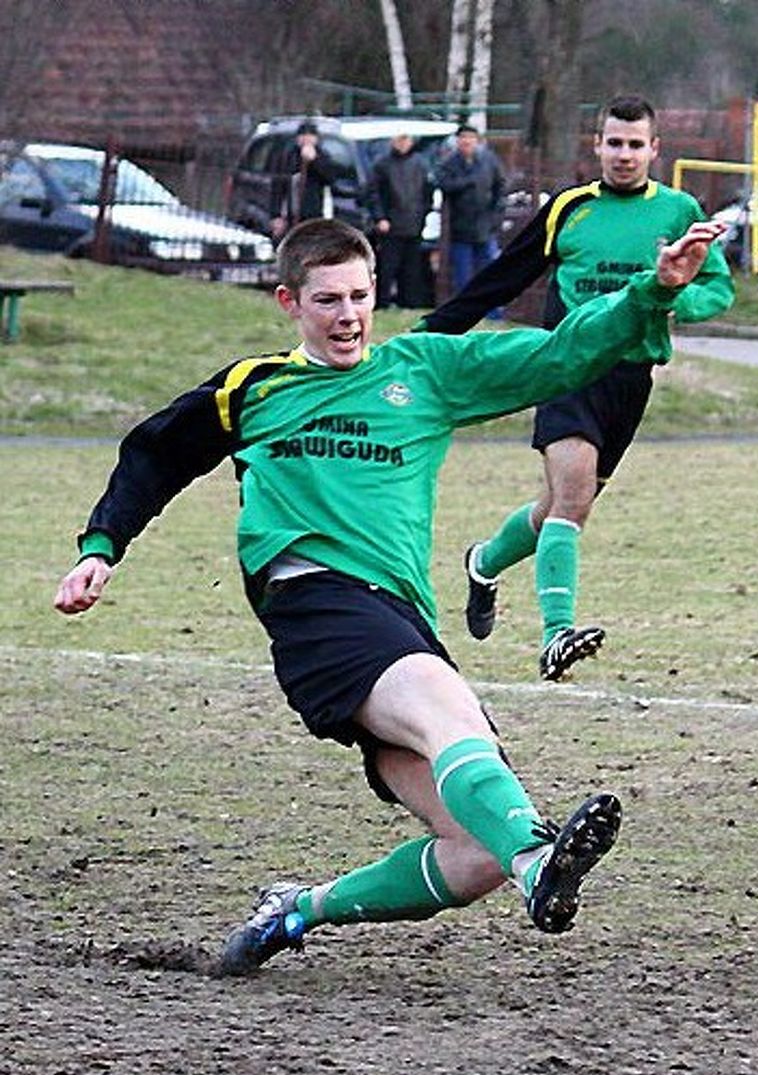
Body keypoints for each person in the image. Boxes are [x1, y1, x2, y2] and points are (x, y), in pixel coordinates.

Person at [53, 216, 723, 977]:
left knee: (473, 851)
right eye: (328, 300)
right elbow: (153, 456)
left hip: (399, 620)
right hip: (314, 605)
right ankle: (540, 862)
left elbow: (562, 353)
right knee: (456, 729)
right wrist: (100, 547)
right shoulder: (254, 388)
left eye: (360, 297)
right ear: (288, 302)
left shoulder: (423, 372)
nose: (347, 316)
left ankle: (298, 910)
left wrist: (653, 292)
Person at [420, 95, 735, 681]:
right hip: (566, 370)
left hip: (630, 378)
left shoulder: (678, 210)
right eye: (614, 142)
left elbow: (717, 288)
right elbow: (503, 276)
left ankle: (484, 562)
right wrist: (427, 336)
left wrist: (674, 297)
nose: (623, 154)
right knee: (571, 501)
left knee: (561, 507)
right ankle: (556, 634)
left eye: (635, 144)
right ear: (597, 146)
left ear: (654, 150)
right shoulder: (569, 208)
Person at [436, 123, 508, 295]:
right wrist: (468, 181)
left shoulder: (489, 160)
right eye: (463, 138)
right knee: (463, 275)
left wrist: (496, 215)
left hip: (486, 226)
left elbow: (500, 185)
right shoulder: (449, 164)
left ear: (477, 141)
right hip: (460, 227)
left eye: (470, 138)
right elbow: (445, 185)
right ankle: (464, 312)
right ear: (458, 141)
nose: (467, 141)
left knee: (489, 272)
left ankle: (493, 312)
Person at [368, 131, 435, 308]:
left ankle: (410, 304)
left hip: (415, 224)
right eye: (400, 139)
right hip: (390, 225)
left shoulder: (421, 164)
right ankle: (382, 303)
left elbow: (428, 192)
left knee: (412, 269)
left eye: (406, 139)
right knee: (387, 267)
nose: (403, 143)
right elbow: (372, 194)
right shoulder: (382, 164)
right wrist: (380, 217)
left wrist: (424, 214)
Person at [271, 120, 340, 240]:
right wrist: (276, 215)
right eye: (303, 136)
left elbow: (330, 179)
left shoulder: (323, 156)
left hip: (315, 215)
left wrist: (314, 161)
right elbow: (277, 187)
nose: (306, 140)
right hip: (291, 215)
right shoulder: (287, 157)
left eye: (310, 136)